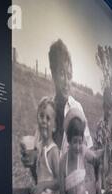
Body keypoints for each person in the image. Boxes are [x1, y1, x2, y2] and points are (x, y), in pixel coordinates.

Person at [21, 39, 94, 180]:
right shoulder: (47, 111)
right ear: (53, 74)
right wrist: (30, 160)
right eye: (61, 74)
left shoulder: (76, 109)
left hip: (71, 186)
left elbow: (87, 150)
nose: (67, 82)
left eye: (69, 75)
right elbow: (36, 154)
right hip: (49, 186)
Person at [13, 97, 60, 194]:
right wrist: (30, 164)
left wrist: (43, 185)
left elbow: (60, 181)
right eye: (41, 116)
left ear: (54, 126)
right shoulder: (38, 147)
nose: (44, 121)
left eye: (48, 118)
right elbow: (37, 175)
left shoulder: (54, 151)